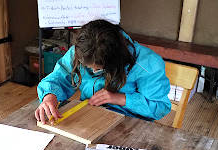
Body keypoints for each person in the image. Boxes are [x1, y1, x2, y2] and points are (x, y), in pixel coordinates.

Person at [35, 19, 171, 124]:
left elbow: (159, 107)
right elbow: (59, 78)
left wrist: (120, 98)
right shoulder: (82, 51)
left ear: (117, 59)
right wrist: (50, 96)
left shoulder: (148, 64)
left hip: (131, 123)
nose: (93, 71)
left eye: (99, 68)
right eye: (87, 66)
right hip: (91, 115)